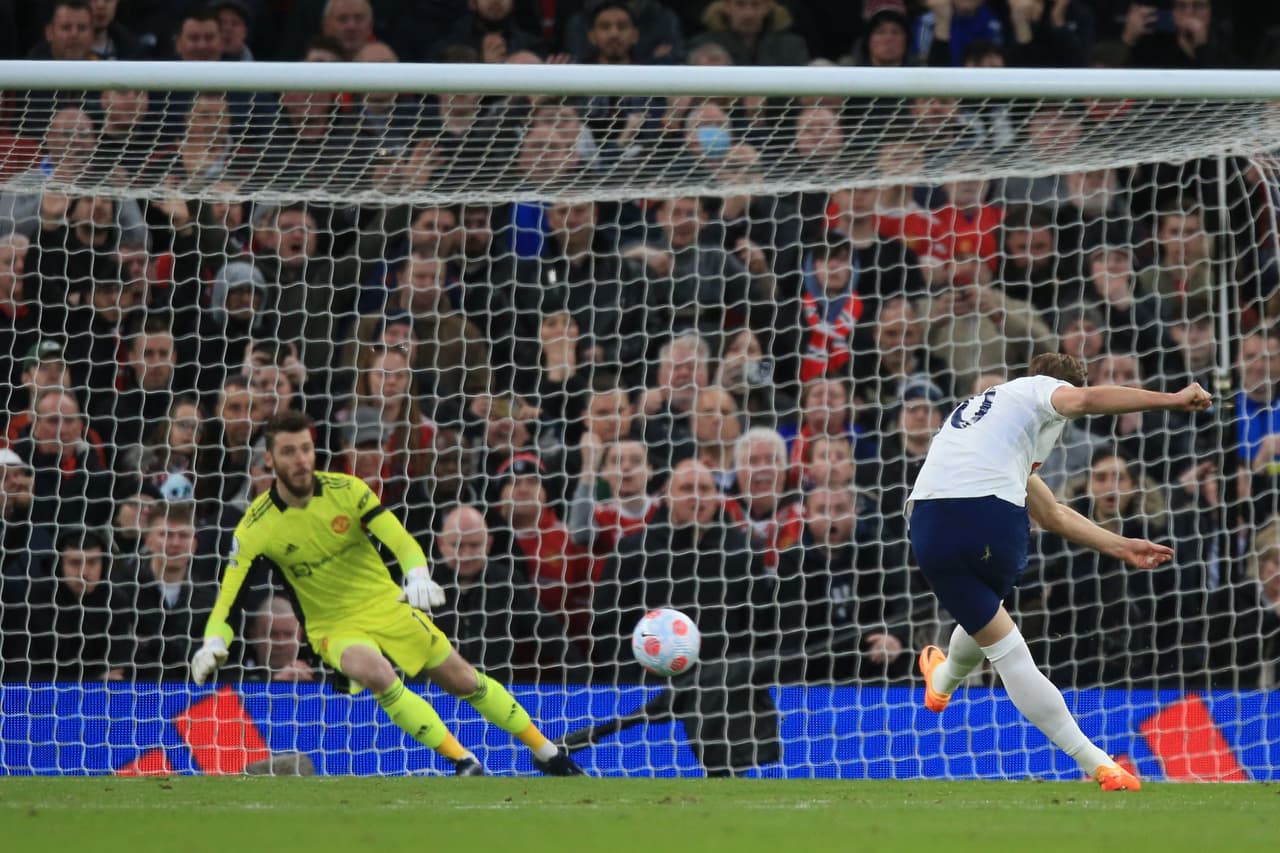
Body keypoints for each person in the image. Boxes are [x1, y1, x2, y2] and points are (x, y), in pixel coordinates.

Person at [189, 410, 583, 776]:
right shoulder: (255, 526)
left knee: (464, 680)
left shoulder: (347, 491)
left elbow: (401, 540)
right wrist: (212, 642)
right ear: (270, 460)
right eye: (289, 451)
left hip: (385, 604)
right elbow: (228, 602)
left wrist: (416, 575)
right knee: (376, 673)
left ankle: (546, 750)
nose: (300, 459)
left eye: (306, 448)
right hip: (332, 625)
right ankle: (463, 761)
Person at [909, 352, 1212, 791]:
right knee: (1009, 652)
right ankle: (1100, 763)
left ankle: (941, 681)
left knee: (986, 622)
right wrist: (1170, 399)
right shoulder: (1036, 390)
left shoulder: (978, 421)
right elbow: (1082, 400)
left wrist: (1121, 545)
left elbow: (1050, 512)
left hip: (929, 527)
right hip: (991, 521)